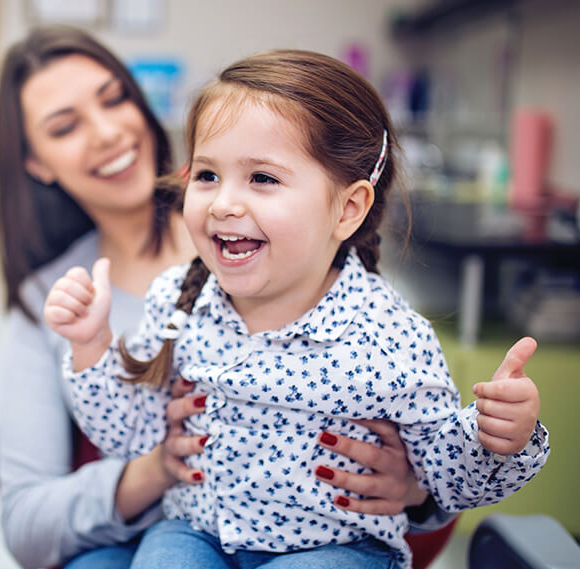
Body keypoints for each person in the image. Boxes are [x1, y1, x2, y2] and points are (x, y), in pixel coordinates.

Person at [43, 49, 550, 569]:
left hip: (339, 549)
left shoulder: (387, 333)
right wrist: (89, 343)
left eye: (262, 178)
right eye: (207, 175)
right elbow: (127, 433)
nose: (222, 204)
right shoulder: (178, 299)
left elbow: (448, 478)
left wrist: (498, 438)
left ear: (348, 208)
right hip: (194, 532)